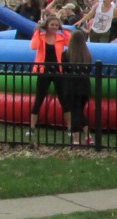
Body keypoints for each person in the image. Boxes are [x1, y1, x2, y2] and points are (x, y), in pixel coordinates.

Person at [27, 15, 73, 143]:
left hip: (57, 71)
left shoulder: (60, 37)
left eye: (56, 25)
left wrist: (64, 30)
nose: (54, 27)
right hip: (43, 70)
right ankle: (32, 127)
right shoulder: (40, 36)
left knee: (64, 99)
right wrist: (37, 31)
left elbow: (70, 43)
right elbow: (34, 46)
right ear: (47, 25)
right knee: (39, 98)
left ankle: (70, 127)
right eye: (52, 25)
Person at [58, 28, 95, 146]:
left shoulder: (66, 55)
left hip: (71, 86)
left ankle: (76, 139)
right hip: (84, 86)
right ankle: (88, 136)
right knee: (79, 111)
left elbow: (64, 70)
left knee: (75, 112)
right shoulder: (87, 55)